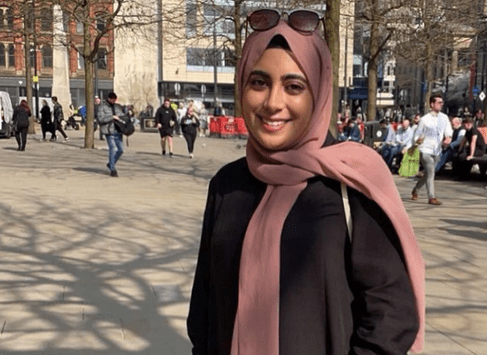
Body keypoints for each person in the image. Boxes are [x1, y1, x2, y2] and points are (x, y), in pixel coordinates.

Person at [187, 14, 424, 354]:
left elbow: (391, 316)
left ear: (319, 92)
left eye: (294, 86)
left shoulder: (350, 182)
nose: (273, 103)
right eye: (259, 82)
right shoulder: (228, 185)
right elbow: (205, 308)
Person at [411, 93, 453, 205]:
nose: (441, 104)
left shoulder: (444, 118)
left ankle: (416, 190)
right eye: (439, 102)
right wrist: (418, 140)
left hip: (437, 150)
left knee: (429, 173)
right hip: (425, 150)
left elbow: (448, 130)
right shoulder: (425, 119)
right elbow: (416, 135)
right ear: (432, 104)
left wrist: (448, 137)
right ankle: (431, 197)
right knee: (431, 172)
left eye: (442, 103)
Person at [97, 92, 125, 177]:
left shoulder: (117, 106)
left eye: (115, 100)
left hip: (118, 131)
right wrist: (111, 117)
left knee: (121, 150)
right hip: (109, 131)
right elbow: (100, 119)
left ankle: (110, 163)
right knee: (112, 148)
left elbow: (121, 116)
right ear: (108, 99)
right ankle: (112, 169)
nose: (113, 102)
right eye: (112, 100)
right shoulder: (103, 107)